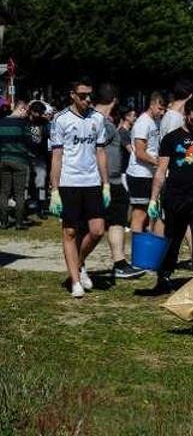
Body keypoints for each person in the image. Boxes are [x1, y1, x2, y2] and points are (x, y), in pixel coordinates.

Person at [145, 98, 193, 294]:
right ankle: (163, 276)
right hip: (175, 196)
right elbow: (161, 171)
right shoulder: (171, 138)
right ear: (185, 115)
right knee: (172, 239)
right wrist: (153, 198)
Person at [49, 78, 110, 298]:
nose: (87, 99)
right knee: (70, 231)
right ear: (72, 95)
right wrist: (54, 189)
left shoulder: (98, 119)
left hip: (92, 181)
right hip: (69, 181)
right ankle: (75, 281)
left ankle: (79, 263)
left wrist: (106, 184)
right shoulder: (61, 120)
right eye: (82, 95)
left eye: (89, 95)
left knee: (97, 230)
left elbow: (100, 152)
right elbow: (57, 156)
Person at [93, 83, 143, 280]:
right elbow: (98, 150)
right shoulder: (100, 122)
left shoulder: (103, 120)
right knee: (93, 225)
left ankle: (119, 262)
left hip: (112, 181)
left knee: (117, 220)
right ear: (114, 100)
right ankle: (78, 264)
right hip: (101, 181)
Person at [126, 91, 165, 233]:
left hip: (149, 173)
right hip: (139, 174)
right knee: (139, 214)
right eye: (159, 109)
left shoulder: (154, 122)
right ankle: (137, 251)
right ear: (152, 105)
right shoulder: (143, 123)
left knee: (150, 214)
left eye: (163, 110)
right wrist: (158, 163)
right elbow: (140, 152)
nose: (161, 113)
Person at [0, 100, 35, 229]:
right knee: (19, 193)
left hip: (3, 160)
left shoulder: (1, 122)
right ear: (22, 109)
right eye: (26, 111)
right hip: (20, 161)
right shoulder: (23, 125)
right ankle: (19, 223)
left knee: (4, 192)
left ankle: (3, 222)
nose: (26, 115)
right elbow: (30, 142)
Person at [26, 100, 51, 219]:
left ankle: (41, 207)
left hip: (40, 156)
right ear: (31, 111)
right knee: (26, 182)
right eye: (37, 113)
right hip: (26, 156)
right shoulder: (24, 122)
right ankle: (25, 207)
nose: (39, 115)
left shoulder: (44, 122)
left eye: (41, 113)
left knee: (41, 181)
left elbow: (51, 134)